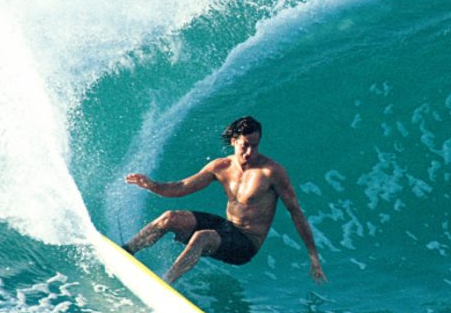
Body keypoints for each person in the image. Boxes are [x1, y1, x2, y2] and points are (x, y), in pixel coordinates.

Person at [123, 116, 327, 285]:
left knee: (202, 237)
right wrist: (152, 185)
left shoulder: (271, 172)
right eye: (245, 146)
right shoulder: (220, 167)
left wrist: (313, 257)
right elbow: (182, 187)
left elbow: (295, 212)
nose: (250, 153)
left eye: (255, 146)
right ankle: (126, 251)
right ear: (233, 142)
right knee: (170, 217)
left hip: (246, 243)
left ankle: (165, 283)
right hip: (226, 228)